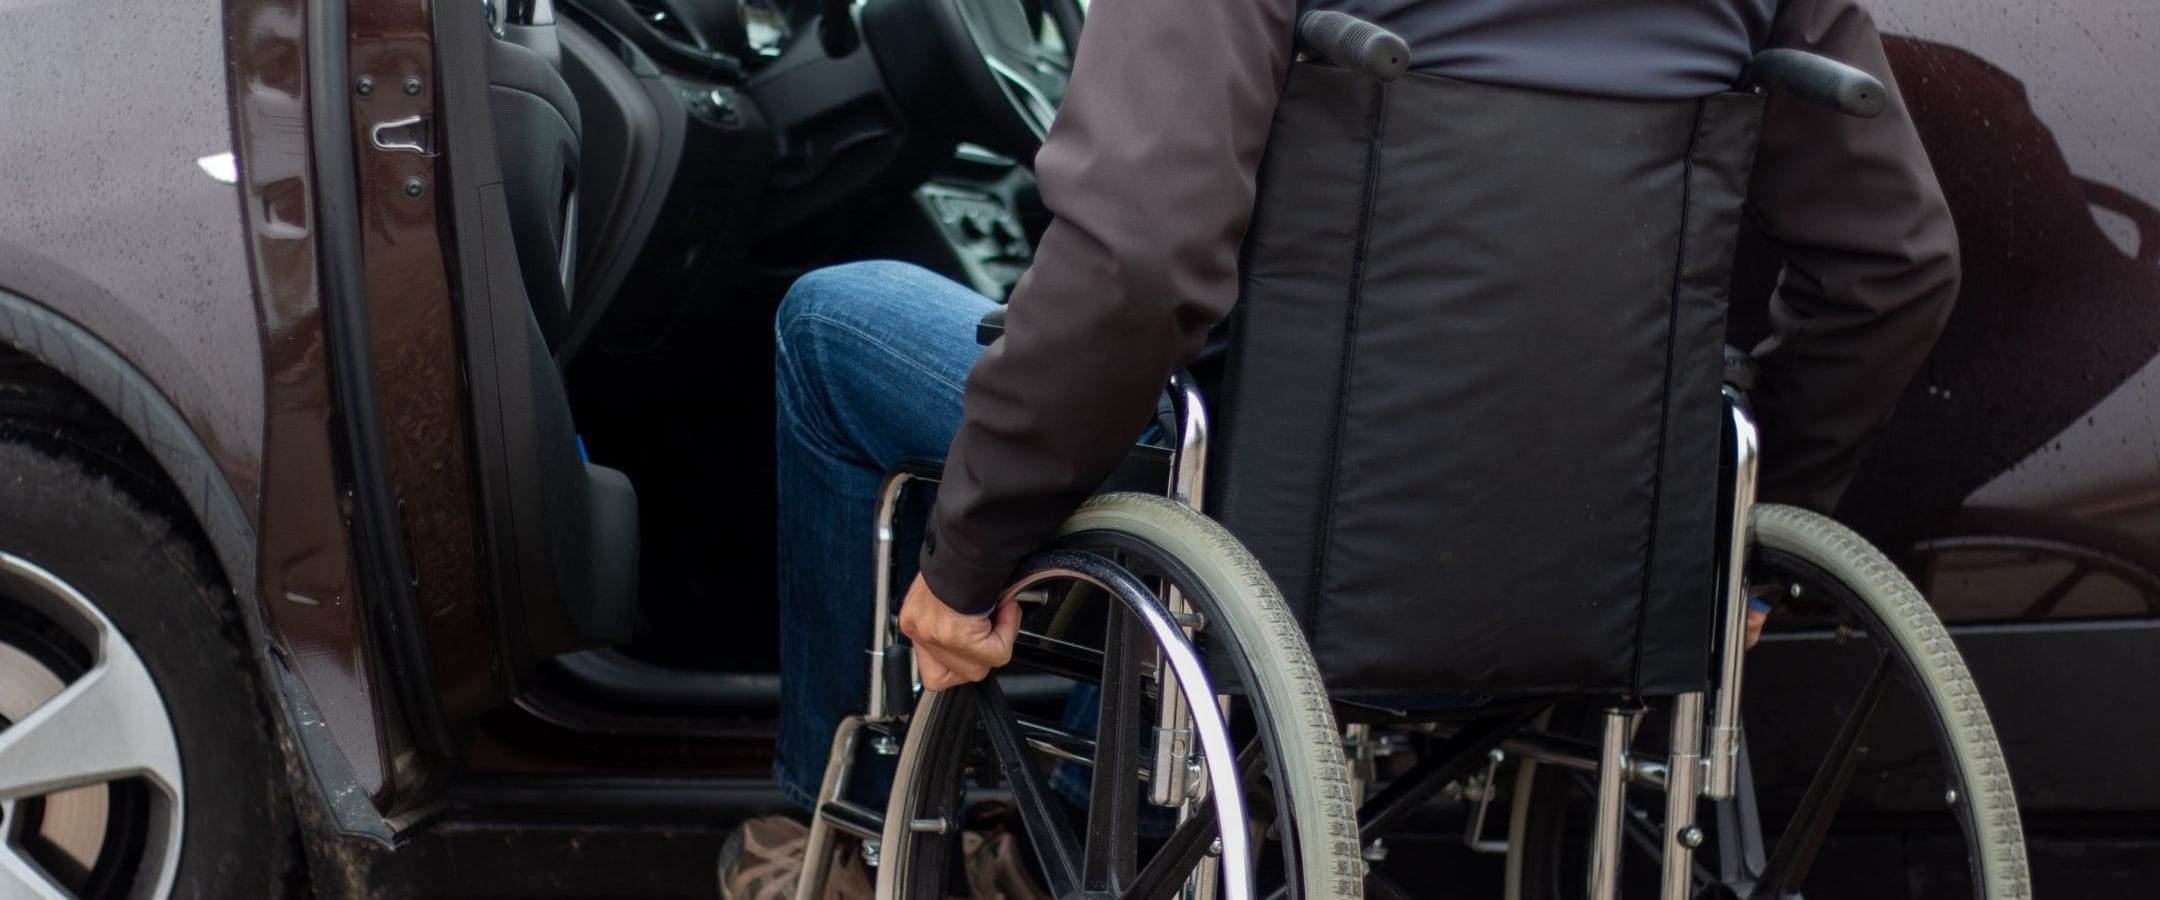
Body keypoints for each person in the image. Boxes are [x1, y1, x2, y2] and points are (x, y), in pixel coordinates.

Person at [731, 0, 1957, 892]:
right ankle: (1056, 812)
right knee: (1134, 418)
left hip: (1286, 535)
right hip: (1603, 558)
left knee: (835, 324)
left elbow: (1138, 267)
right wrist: (1731, 541)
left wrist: (969, 552)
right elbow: (1895, 266)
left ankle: (826, 844)